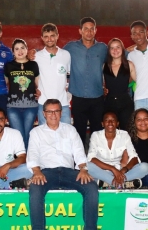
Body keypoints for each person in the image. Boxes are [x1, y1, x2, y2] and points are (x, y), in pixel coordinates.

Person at [27, 98, 106, 230]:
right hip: (46, 172)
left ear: (61, 112)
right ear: (44, 114)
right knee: (35, 188)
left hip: (70, 171)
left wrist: (83, 168)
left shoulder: (70, 129)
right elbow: (33, 153)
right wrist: (36, 171)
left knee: (91, 187)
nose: (53, 115)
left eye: (56, 111)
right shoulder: (36, 132)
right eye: (49, 111)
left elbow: (78, 151)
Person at [63, 17, 107, 146]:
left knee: (97, 132)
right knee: (79, 131)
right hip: (78, 97)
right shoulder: (70, 47)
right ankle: (80, 161)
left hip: (97, 97)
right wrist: (33, 53)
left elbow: (120, 56)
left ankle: (96, 161)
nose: (89, 32)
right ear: (80, 31)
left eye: (91, 29)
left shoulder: (102, 48)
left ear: (96, 30)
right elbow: (56, 53)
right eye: (86, 29)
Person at [87, 111, 148, 189]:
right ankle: (123, 183)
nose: (110, 122)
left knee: (145, 167)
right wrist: (112, 169)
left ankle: (108, 183)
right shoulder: (96, 135)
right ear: (102, 124)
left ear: (117, 123)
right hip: (102, 171)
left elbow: (134, 157)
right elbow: (91, 158)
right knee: (87, 166)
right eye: (106, 120)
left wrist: (123, 170)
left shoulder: (124, 135)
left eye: (113, 120)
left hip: (121, 173)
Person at [4, 38, 39, 148]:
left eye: (22, 48)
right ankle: (22, 161)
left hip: (31, 106)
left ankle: (28, 162)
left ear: (27, 49)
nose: (20, 51)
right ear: (13, 52)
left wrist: (39, 91)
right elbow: (3, 84)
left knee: (27, 135)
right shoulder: (8, 66)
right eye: (17, 49)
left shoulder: (33, 65)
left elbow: (38, 84)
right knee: (18, 136)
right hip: (13, 106)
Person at [35, 23, 71, 125]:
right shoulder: (36, 57)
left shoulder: (66, 55)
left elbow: (69, 75)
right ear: (42, 38)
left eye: (52, 36)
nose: (49, 39)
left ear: (57, 36)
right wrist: (34, 88)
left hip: (63, 103)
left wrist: (68, 89)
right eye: (46, 36)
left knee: (66, 136)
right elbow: (30, 75)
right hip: (43, 104)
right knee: (45, 137)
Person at [103, 38, 135, 131]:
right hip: (109, 104)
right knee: (110, 131)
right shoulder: (104, 66)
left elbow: (139, 81)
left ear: (122, 49)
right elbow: (99, 84)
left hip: (126, 104)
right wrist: (103, 89)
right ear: (109, 51)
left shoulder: (129, 65)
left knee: (127, 131)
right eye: (112, 48)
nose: (115, 50)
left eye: (118, 47)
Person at [127, 21, 148, 110]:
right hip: (140, 99)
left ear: (146, 32)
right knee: (140, 124)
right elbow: (129, 78)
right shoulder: (130, 55)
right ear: (131, 36)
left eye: (141, 32)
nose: (138, 36)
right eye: (134, 33)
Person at [129, 108, 148, 187]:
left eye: (146, 119)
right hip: (136, 174)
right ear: (134, 123)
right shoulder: (128, 140)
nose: (143, 122)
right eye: (139, 119)